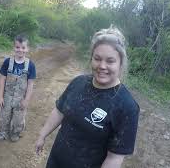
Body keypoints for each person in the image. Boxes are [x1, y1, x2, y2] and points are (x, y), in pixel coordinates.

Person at [35, 26, 140, 168]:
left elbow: (114, 158)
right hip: (55, 161)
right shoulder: (78, 82)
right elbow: (59, 111)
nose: (102, 66)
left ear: (121, 63)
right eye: (97, 59)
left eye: (110, 61)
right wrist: (42, 135)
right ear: (91, 59)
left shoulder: (127, 107)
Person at [0, 34, 36, 142]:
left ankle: (15, 133)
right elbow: (2, 80)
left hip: (20, 98)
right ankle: (2, 131)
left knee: (19, 119)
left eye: (23, 47)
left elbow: (30, 84)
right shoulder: (7, 62)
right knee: (4, 116)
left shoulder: (30, 65)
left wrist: (26, 100)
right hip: (7, 96)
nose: (20, 50)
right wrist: (0, 97)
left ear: (27, 49)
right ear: (14, 47)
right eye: (17, 47)